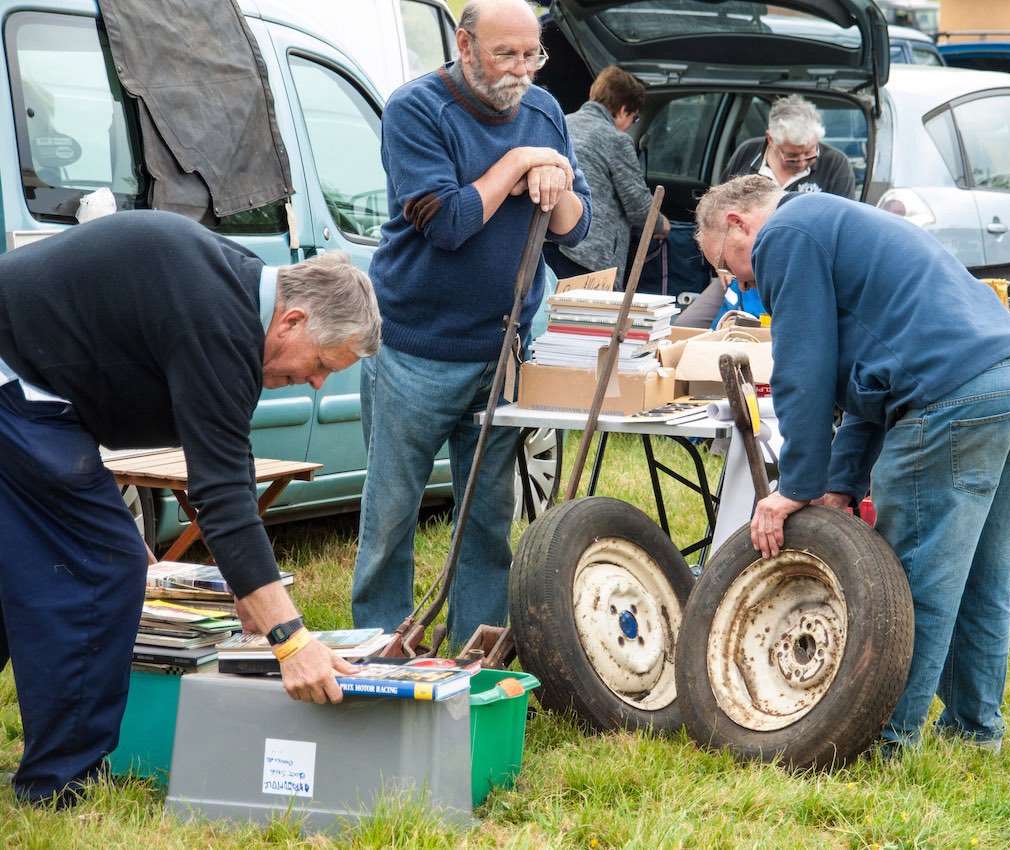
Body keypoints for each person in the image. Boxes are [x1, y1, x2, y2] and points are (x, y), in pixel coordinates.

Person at [0, 209, 381, 806]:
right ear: (294, 320)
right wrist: (291, 640)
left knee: (29, 562)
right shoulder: (221, 325)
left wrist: (246, 583)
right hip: (16, 387)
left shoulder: (230, 298)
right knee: (102, 566)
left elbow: (210, 460)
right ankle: (57, 785)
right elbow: (223, 495)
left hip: (24, 381)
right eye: (324, 365)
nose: (315, 385)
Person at [695, 176, 1010, 753]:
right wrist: (837, 486)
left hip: (954, 391)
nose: (738, 279)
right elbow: (869, 385)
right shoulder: (829, 224)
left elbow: (802, 369)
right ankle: (973, 729)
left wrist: (796, 486)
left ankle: (889, 738)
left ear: (738, 222)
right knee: (985, 572)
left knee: (910, 577)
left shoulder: (784, 234)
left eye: (726, 262)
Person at [351, 0, 590, 645]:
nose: (521, 70)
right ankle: (380, 647)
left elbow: (578, 233)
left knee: (487, 515)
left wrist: (556, 179)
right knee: (392, 514)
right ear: (464, 44)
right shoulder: (416, 109)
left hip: (502, 348)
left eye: (532, 55)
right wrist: (516, 165)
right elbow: (449, 223)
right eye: (505, 54)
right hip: (414, 347)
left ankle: (473, 649)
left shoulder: (543, 113)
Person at [676, 94, 855, 328]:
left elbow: (837, 234)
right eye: (792, 156)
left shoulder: (836, 164)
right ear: (770, 139)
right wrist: (726, 265)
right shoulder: (747, 154)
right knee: (685, 326)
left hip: (800, 278)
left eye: (810, 153)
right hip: (738, 276)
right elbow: (718, 211)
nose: (802, 162)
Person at [544, 65, 668, 282]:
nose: (630, 125)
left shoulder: (561, 123)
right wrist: (662, 224)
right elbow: (638, 206)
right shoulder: (615, 139)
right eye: (634, 117)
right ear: (622, 110)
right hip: (588, 259)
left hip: (547, 247)